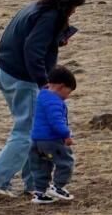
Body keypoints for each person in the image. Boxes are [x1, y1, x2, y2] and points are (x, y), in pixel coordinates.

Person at [0, 0, 86, 197]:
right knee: (28, 132)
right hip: (23, 79)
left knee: (33, 129)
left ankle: (33, 184)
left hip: (8, 72)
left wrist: (56, 40)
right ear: (67, 4)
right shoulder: (50, 17)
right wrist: (43, 83)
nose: (74, 11)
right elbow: (32, 50)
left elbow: (28, 40)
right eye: (74, 7)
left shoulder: (36, 8)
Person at [29, 65, 76, 205]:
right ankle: (58, 187)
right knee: (66, 162)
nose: (67, 97)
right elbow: (56, 122)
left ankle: (40, 192)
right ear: (61, 87)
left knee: (42, 165)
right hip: (51, 140)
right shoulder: (54, 102)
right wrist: (67, 135)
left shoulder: (42, 95)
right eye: (68, 92)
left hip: (37, 140)